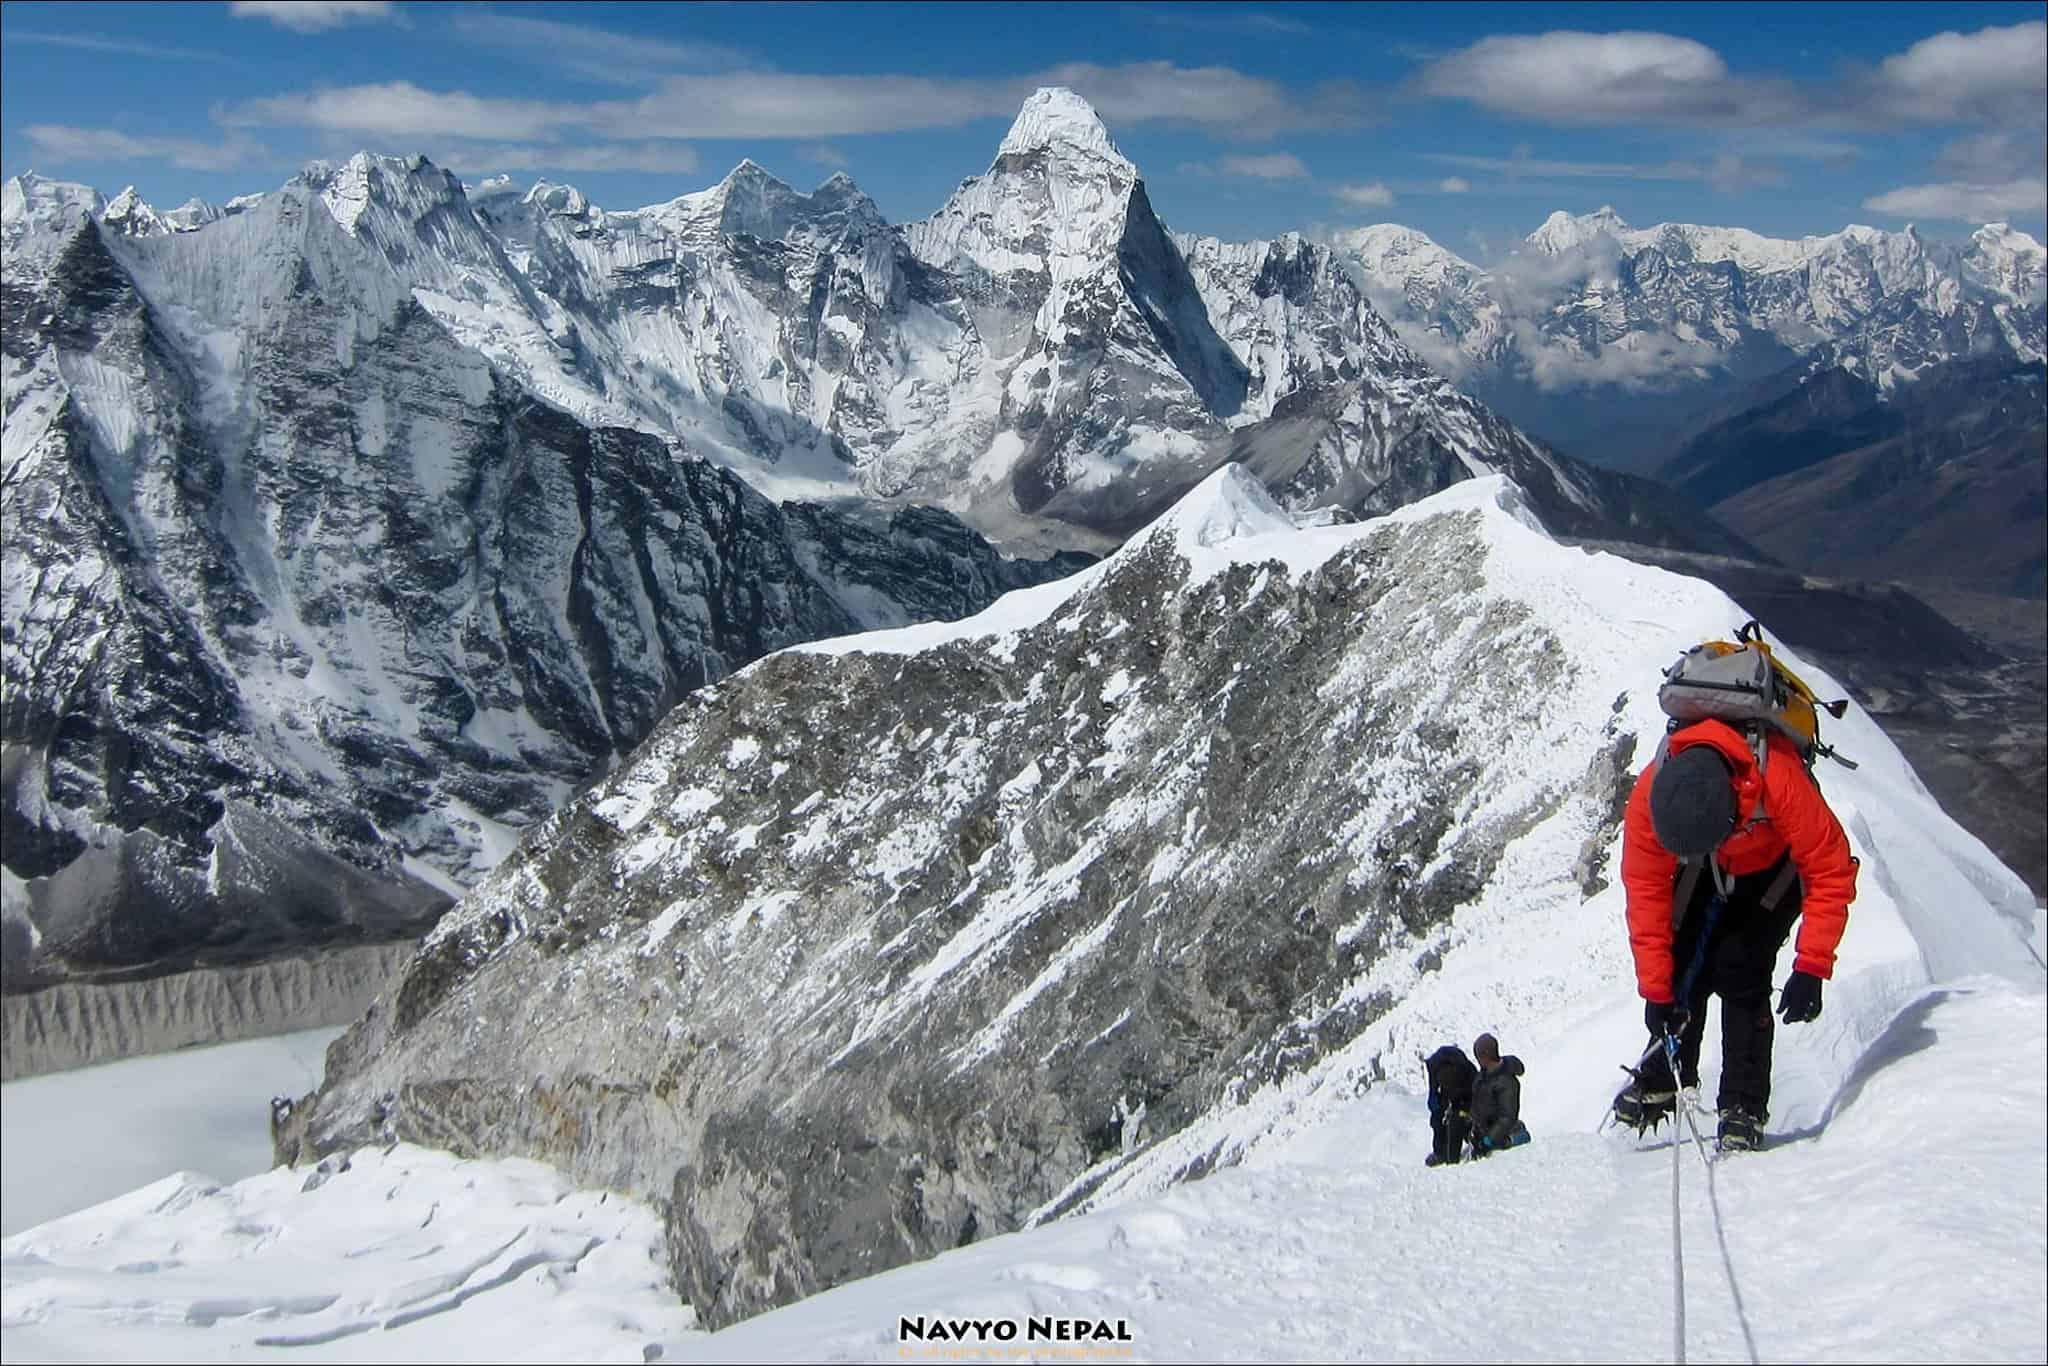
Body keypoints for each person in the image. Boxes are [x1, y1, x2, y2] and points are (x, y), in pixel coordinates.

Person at [1612, 716, 1858, 1152]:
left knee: (1741, 966)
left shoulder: (1776, 777)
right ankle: (1665, 1074)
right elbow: (1646, 891)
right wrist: (1656, 992)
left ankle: (1743, 1104)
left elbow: (1830, 869)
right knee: (1684, 955)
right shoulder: (1653, 793)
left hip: (1774, 864)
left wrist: (1812, 965)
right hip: (1709, 863)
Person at [1467, 1033, 1530, 1157]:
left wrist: (1488, 1141)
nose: (1478, 1060)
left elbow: (1507, 1117)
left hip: (1500, 1135)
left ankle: (1518, 1137)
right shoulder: (1483, 1075)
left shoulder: (1506, 1082)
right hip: (1484, 1131)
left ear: (1486, 1056)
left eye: (1479, 1056)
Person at [1422, 1044, 1476, 1167]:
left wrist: (1466, 1113)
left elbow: (1476, 1098)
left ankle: (1470, 1140)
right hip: (1447, 1082)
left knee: (1461, 1117)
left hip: (1464, 1089)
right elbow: (1433, 1095)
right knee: (1437, 1116)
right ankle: (1440, 1152)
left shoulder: (1469, 1073)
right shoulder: (1434, 1067)